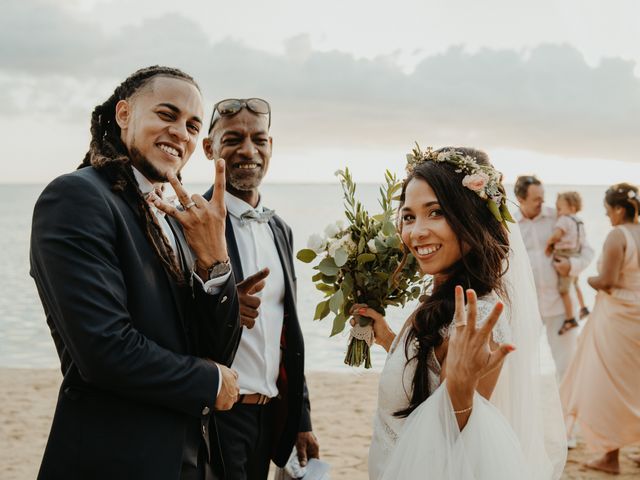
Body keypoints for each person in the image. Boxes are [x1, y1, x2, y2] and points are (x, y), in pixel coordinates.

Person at [29, 66, 246, 480]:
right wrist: (210, 383)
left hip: (189, 459)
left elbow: (217, 349)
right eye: (167, 115)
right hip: (114, 459)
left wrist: (216, 260)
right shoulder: (76, 197)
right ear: (124, 114)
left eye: (192, 125)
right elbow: (104, 350)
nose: (181, 133)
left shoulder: (175, 217)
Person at [358, 147, 566, 480]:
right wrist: (388, 338)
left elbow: (457, 446)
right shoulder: (445, 298)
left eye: (436, 212)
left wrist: (460, 391)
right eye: (409, 216)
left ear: (471, 218)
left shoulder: (478, 317)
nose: (416, 231)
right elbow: (429, 373)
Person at [202, 98, 319, 479]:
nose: (248, 150)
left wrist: (301, 417)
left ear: (271, 148)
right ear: (209, 148)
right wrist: (222, 304)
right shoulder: (190, 222)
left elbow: (288, 332)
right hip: (214, 415)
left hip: (270, 417)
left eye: (260, 139)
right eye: (233, 138)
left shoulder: (280, 229)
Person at [560, 183, 640, 475]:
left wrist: (590, 279)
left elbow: (607, 281)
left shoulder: (618, 235)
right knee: (636, 382)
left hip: (618, 316)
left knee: (608, 383)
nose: (608, 217)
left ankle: (610, 457)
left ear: (619, 209)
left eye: (608, 212)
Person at [513, 175, 594, 380]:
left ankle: (570, 411)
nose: (543, 202)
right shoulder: (511, 225)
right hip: (527, 306)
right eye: (536, 199)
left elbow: (587, 251)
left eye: (543, 197)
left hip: (560, 306)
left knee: (568, 367)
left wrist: (572, 266)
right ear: (520, 199)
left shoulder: (559, 219)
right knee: (520, 366)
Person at [545, 191, 589, 334]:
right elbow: (582, 243)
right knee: (575, 284)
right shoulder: (579, 221)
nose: (558, 212)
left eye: (559, 208)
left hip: (564, 255)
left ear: (571, 207)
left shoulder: (564, 220)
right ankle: (583, 308)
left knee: (564, 290)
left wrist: (548, 243)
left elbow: (557, 235)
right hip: (575, 255)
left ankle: (570, 319)